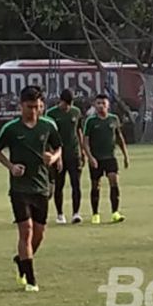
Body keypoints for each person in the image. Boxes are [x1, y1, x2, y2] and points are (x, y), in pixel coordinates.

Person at [0, 85, 62, 292]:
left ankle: (22, 261)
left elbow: (59, 147)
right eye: (29, 106)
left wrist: (54, 157)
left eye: (37, 107)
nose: (33, 111)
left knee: (39, 234)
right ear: (21, 105)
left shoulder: (48, 125)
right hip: (20, 188)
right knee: (27, 231)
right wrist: (11, 166)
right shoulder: (12, 128)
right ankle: (31, 280)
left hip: (41, 186)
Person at [83, 94, 129, 224]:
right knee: (95, 185)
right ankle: (95, 214)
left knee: (114, 181)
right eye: (98, 103)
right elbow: (85, 141)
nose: (101, 106)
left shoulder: (113, 119)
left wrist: (125, 156)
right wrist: (90, 157)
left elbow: (119, 138)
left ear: (108, 105)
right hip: (96, 158)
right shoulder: (91, 121)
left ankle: (115, 212)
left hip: (110, 157)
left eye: (103, 103)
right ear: (94, 105)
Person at [46, 90, 85, 225]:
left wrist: (82, 151)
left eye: (70, 104)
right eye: (65, 104)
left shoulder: (76, 112)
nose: (67, 107)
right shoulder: (51, 114)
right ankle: (60, 214)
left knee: (76, 184)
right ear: (60, 101)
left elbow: (79, 131)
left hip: (74, 154)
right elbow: (49, 137)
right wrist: (56, 156)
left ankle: (76, 213)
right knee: (59, 185)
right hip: (59, 155)